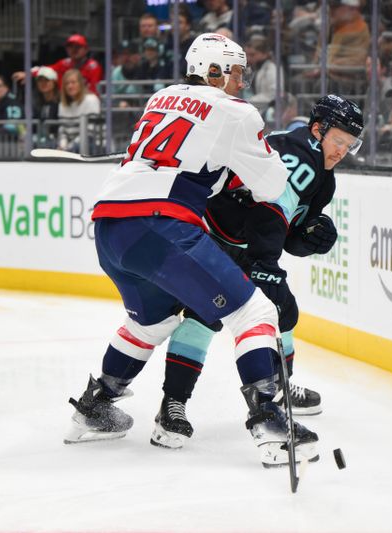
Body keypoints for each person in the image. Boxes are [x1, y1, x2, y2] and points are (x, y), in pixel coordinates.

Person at [66, 32, 320, 467]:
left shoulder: (161, 97)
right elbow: (272, 185)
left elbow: (191, 161)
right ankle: (270, 424)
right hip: (160, 226)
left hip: (109, 228)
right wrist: (244, 168)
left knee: (154, 321)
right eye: (237, 72)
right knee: (255, 313)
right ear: (215, 71)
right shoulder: (236, 111)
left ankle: (94, 407)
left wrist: (222, 172)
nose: (241, 82)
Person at [152, 94, 364, 450]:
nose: (343, 150)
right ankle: (172, 403)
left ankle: (279, 388)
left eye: (350, 143)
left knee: (282, 308)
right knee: (206, 315)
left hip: (243, 244)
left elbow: (286, 230)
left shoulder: (323, 178)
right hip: (212, 236)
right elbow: (271, 210)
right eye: (338, 140)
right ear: (317, 130)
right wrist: (266, 264)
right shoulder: (301, 152)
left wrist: (309, 239)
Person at [12, 34, 103, 96]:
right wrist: (28, 73)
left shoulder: (93, 67)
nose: (74, 50)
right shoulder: (64, 63)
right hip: (65, 101)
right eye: (70, 47)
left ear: (86, 49)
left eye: (78, 47)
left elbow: (94, 91)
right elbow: (46, 70)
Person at [57, 69, 101, 151]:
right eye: (67, 83)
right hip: (71, 148)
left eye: (73, 82)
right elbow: (62, 131)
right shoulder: (62, 105)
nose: (70, 86)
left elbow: (90, 132)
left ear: (81, 84)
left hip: (94, 147)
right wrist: (63, 146)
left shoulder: (91, 100)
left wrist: (69, 148)